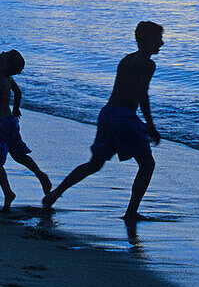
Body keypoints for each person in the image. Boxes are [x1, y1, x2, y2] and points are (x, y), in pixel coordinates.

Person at [42, 20, 163, 220]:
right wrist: (150, 125)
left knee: (94, 164)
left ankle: (54, 195)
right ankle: (131, 212)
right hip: (124, 117)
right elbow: (142, 94)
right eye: (159, 38)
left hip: (108, 114)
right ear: (149, 40)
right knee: (147, 164)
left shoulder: (127, 59)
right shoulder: (147, 64)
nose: (161, 43)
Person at [0, 49, 51, 212]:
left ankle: (8, 193)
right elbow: (18, 92)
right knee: (19, 154)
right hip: (10, 122)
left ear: (5, 64)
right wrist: (15, 109)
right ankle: (40, 174)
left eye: (5, 54)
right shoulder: (7, 78)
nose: (1, 52)